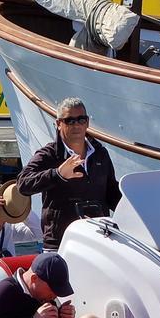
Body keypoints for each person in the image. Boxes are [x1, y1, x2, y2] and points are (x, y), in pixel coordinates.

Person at [17, 97, 121, 251]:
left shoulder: (100, 153)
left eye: (81, 119)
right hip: (61, 244)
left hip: (98, 240)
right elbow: (23, 184)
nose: (77, 125)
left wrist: (135, 207)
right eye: (70, 121)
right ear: (59, 124)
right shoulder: (49, 155)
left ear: (87, 122)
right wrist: (57, 174)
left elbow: (111, 193)